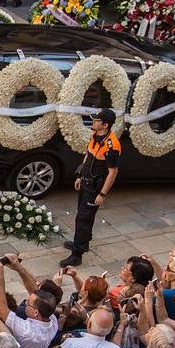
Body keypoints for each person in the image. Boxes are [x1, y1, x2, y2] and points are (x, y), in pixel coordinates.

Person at [62, 108, 120, 266]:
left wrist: (102, 194)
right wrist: (80, 174)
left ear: (105, 125)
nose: (93, 122)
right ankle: (81, 242)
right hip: (86, 182)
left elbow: (113, 172)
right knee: (82, 217)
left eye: (96, 120)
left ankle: (77, 254)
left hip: (95, 188)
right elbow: (88, 155)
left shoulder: (112, 146)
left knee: (83, 219)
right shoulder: (95, 135)